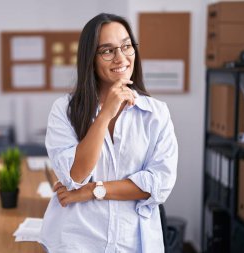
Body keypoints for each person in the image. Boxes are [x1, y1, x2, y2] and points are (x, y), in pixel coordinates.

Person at [40, 13, 178, 253]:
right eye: (107, 50)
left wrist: (92, 191)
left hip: (135, 243)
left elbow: (159, 185)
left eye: (126, 46)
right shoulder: (64, 110)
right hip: (78, 241)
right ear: (90, 59)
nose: (121, 58)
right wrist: (105, 114)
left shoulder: (156, 114)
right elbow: (74, 176)